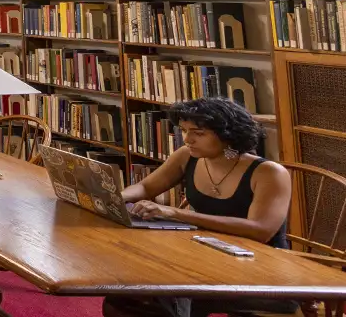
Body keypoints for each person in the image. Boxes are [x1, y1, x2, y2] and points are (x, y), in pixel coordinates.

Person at [104, 97, 296, 317]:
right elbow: (146, 187)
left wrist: (178, 214)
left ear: (228, 134)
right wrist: (114, 197)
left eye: (199, 133)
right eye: (184, 130)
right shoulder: (187, 156)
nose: (188, 139)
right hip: (207, 256)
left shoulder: (269, 172)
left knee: (161, 294)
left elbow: (259, 230)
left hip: (261, 269)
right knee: (126, 293)